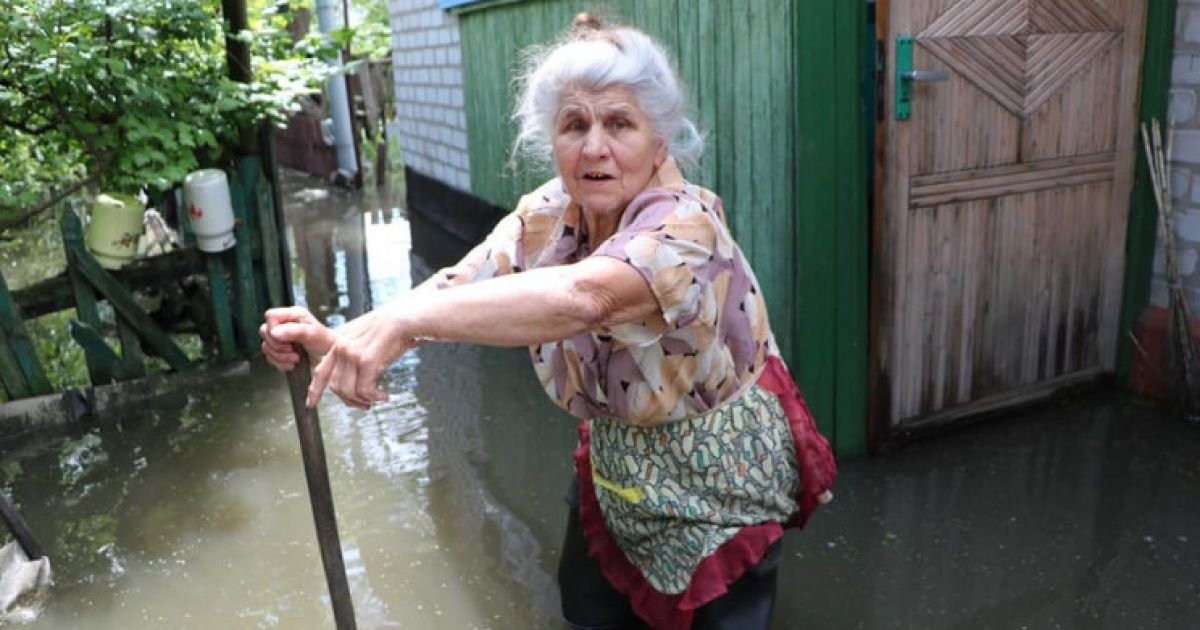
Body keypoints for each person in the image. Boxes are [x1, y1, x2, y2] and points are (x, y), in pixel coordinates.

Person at [260, 14, 836, 630]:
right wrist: (343, 339)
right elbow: (461, 283)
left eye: (620, 124)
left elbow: (587, 297)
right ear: (551, 139)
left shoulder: (686, 226)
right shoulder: (550, 212)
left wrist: (400, 325)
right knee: (588, 612)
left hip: (719, 479)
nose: (594, 147)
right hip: (621, 466)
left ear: (659, 141)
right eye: (574, 125)